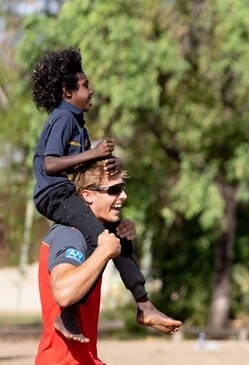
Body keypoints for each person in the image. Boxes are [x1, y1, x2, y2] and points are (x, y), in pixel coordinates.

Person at [31, 47, 179, 342]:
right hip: (54, 194)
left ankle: (143, 303)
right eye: (85, 85)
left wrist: (110, 162)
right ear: (67, 91)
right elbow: (50, 163)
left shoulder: (79, 126)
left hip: (68, 191)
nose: (91, 90)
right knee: (101, 241)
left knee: (116, 238)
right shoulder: (62, 118)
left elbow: (87, 168)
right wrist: (94, 151)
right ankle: (68, 314)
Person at [36, 160, 182, 364]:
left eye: (123, 188)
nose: (123, 196)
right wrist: (104, 252)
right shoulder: (69, 235)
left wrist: (120, 240)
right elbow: (63, 293)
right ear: (87, 195)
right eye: (114, 189)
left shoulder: (96, 235)